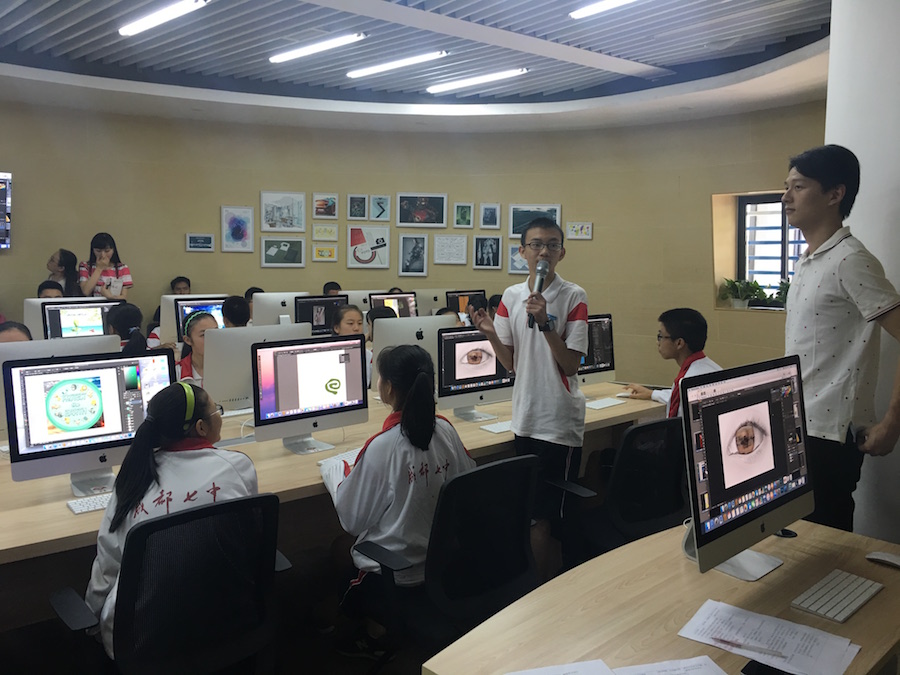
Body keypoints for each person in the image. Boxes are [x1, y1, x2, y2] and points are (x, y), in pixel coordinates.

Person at [84, 382, 257, 660]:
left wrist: (91, 619)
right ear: (201, 427)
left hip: (140, 641)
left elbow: (108, 566)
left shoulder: (132, 479)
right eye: (217, 410)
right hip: (225, 624)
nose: (220, 416)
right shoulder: (237, 467)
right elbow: (249, 540)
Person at [321, 345, 474, 651]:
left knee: (340, 546)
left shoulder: (384, 446)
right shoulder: (445, 430)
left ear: (388, 388)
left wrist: (336, 474)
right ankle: (377, 628)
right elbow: (468, 479)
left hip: (396, 576)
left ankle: (364, 632)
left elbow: (352, 521)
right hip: (442, 565)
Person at [782, 144, 900, 532]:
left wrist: (891, 424)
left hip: (829, 437)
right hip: (797, 424)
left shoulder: (851, 260)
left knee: (822, 541)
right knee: (792, 538)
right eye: (786, 186)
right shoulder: (809, 260)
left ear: (835, 194)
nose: (786, 197)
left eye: (799, 187)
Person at [472, 217, 588, 573]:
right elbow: (511, 364)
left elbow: (570, 365)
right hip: (525, 417)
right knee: (532, 514)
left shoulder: (573, 296)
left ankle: (547, 587)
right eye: (536, 244)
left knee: (551, 516)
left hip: (558, 420)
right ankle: (536, 585)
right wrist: (490, 334)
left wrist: (546, 323)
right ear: (522, 252)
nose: (544, 252)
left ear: (561, 253)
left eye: (552, 245)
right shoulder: (511, 296)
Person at [624, 308, 721, 417]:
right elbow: (679, 398)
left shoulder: (689, 381)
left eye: (660, 337)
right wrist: (652, 394)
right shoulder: (711, 368)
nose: (657, 342)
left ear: (679, 343)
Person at [79, 233, 132, 299]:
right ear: (93, 250)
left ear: (113, 250)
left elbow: (123, 297)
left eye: (107, 251)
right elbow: (86, 291)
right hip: (93, 304)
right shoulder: (85, 266)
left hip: (114, 304)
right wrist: (99, 268)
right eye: (98, 251)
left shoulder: (122, 268)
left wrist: (110, 297)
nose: (103, 255)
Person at [177, 311, 218, 387]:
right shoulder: (177, 371)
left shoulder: (230, 366)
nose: (213, 339)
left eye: (216, 332)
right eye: (204, 335)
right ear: (188, 340)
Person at [332, 304, 371, 385]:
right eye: (350, 323)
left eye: (360, 323)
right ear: (336, 328)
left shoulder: (367, 355)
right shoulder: (327, 354)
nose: (356, 328)